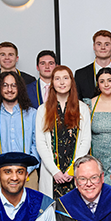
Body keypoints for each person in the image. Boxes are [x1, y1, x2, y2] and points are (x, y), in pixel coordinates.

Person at [35, 66, 92, 198]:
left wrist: (73, 169)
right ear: (52, 83)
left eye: (65, 78)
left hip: (74, 171)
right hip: (52, 173)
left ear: (71, 82)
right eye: (57, 79)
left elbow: (85, 141)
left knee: (75, 211)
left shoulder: (82, 108)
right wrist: (55, 171)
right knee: (52, 211)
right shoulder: (42, 110)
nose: (62, 82)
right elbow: (41, 143)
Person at [0, 70, 40, 192]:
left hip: (28, 175)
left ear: (20, 88)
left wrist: (27, 170)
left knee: (31, 210)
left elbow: (37, 145)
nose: (10, 89)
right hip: (0, 176)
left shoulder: (33, 114)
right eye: (5, 85)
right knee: (1, 210)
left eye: (14, 85)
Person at [75, 30, 111, 99]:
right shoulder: (80, 75)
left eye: (107, 44)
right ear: (94, 47)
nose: (103, 47)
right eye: (99, 44)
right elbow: (76, 103)